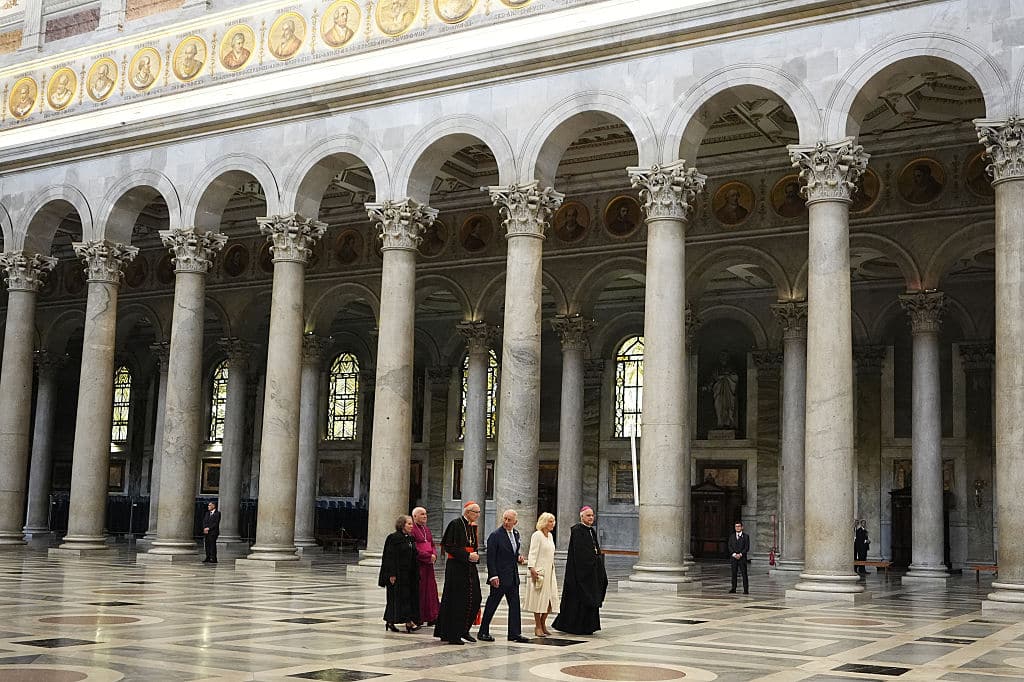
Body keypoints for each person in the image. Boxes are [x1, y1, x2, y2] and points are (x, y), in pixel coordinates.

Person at [552, 506, 607, 635]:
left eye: (592, 515)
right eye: (588, 515)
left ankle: (589, 626)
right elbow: (580, 553)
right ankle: (575, 626)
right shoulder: (577, 530)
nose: (591, 518)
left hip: (591, 572)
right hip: (580, 573)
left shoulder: (591, 531)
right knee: (579, 599)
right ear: (581, 517)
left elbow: (595, 549)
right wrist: (592, 561)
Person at [433, 501, 482, 645]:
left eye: (479, 512)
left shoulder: (472, 527)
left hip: (469, 567)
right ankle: (453, 634)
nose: (478, 515)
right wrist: (467, 556)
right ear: (467, 512)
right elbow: (448, 546)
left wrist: (475, 556)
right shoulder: (455, 524)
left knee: (475, 598)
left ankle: (464, 630)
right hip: (456, 567)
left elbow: (473, 546)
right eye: (476, 512)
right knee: (457, 601)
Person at [478, 509, 529, 643]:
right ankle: (483, 631)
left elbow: (513, 552)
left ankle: (514, 633)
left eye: (509, 520)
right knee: (492, 604)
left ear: (515, 522)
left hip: (512, 576)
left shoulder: (516, 534)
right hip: (499, 577)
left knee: (515, 605)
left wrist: (518, 557)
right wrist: (493, 576)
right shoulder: (495, 535)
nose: (506, 522)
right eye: (505, 519)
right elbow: (491, 558)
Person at [379, 515, 420, 632]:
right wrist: (392, 574)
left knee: (407, 598)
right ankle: (407, 622)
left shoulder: (410, 538)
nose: (412, 526)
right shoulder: (393, 538)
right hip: (397, 574)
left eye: (412, 524)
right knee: (396, 598)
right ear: (402, 525)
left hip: (409, 574)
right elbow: (389, 557)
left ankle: (395, 620)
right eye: (409, 524)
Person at [523, 512, 559, 637]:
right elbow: (533, 552)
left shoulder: (550, 536)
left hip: (550, 572)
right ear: (544, 522)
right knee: (538, 600)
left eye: (553, 521)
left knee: (550, 600)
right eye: (550, 521)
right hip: (539, 572)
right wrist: (532, 568)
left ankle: (543, 623)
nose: (553, 523)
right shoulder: (537, 535)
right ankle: (538, 626)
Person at [410, 506, 439, 626]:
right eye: (422, 514)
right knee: (420, 591)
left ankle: (432, 616)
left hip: (429, 565)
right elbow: (414, 548)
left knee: (431, 591)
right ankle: (419, 617)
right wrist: (427, 557)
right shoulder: (412, 530)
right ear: (415, 516)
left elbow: (432, 544)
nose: (425, 516)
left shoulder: (426, 529)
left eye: (425, 514)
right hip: (419, 564)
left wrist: (434, 555)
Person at [704, 350, 738, 429]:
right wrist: (707, 386)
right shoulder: (716, 369)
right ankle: (720, 421)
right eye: (721, 356)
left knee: (729, 406)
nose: (723, 358)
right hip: (718, 391)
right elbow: (712, 380)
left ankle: (729, 422)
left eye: (725, 356)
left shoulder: (732, 368)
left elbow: (736, 378)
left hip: (729, 392)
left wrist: (725, 378)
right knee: (718, 405)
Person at [728, 521, 750, 594]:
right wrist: (734, 554)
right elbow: (729, 546)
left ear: (742, 527)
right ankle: (733, 588)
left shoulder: (746, 536)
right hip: (734, 558)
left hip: (742, 558)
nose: (737, 528)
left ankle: (746, 589)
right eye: (736, 526)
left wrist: (740, 554)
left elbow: (746, 547)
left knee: (744, 573)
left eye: (739, 526)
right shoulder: (732, 536)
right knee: (734, 573)